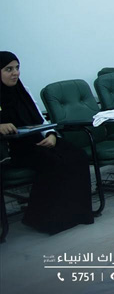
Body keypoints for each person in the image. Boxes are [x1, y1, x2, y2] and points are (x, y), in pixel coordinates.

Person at [0, 51, 94, 235]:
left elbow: (41, 120)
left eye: (17, 68)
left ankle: (78, 214)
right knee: (53, 162)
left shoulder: (23, 90)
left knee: (78, 156)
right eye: (8, 69)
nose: (15, 73)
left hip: (37, 139)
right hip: (13, 150)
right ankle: (44, 219)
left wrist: (51, 134)